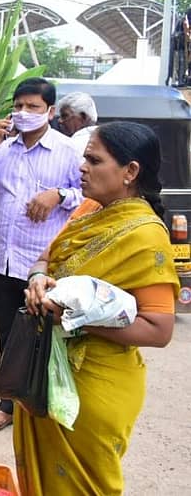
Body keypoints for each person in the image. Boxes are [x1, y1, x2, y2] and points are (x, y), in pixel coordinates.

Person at [19, 121, 178, 495]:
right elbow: (45, 259)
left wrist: (73, 319)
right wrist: (37, 279)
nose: (82, 167)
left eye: (94, 160)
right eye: (84, 158)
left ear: (130, 171)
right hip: (48, 367)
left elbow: (159, 329)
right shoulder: (89, 209)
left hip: (93, 387)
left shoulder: (145, 235)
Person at [0, 77, 83, 433]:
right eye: (19, 106)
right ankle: (8, 403)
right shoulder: (3, 149)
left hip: (43, 265)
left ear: (50, 111)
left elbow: (89, 197)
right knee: (8, 335)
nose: (24, 112)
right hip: (3, 259)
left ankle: (42, 406)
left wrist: (58, 195)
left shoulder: (67, 151)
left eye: (33, 106)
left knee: (45, 338)